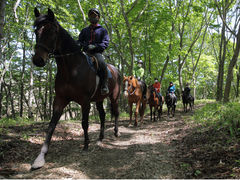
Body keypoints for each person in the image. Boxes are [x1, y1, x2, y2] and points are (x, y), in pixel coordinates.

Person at [78, 8, 110, 95]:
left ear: (98, 17)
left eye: (94, 16)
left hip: (97, 53)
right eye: (90, 16)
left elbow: (106, 43)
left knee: (101, 62)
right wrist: (80, 45)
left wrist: (96, 46)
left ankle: (104, 85)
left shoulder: (103, 30)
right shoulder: (84, 30)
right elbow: (79, 41)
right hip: (85, 52)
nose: (92, 17)